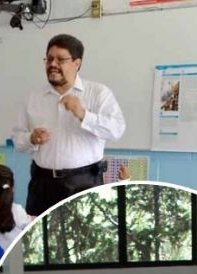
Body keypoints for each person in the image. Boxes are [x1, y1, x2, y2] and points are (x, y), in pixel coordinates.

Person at [14, 34, 126, 216]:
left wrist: (84, 115)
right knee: (37, 237)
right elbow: (18, 140)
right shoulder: (33, 98)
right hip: (42, 183)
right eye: (49, 59)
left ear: (77, 63)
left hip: (84, 182)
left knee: (85, 241)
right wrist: (31, 138)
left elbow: (116, 130)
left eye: (60, 59)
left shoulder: (98, 93)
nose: (52, 64)